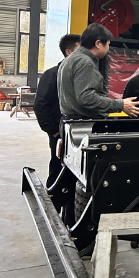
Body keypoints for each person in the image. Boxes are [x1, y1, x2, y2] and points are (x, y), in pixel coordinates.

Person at [58, 23, 139, 119]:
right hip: (83, 122)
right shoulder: (85, 62)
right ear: (98, 44)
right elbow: (86, 98)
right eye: (108, 44)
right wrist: (120, 104)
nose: (108, 48)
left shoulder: (70, 59)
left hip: (71, 121)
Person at [34, 34, 81, 188]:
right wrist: (54, 131)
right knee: (58, 169)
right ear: (68, 52)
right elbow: (40, 105)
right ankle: (53, 199)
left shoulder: (81, 76)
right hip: (59, 133)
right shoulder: (51, 75)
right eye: (80, 49)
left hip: (80, 132)